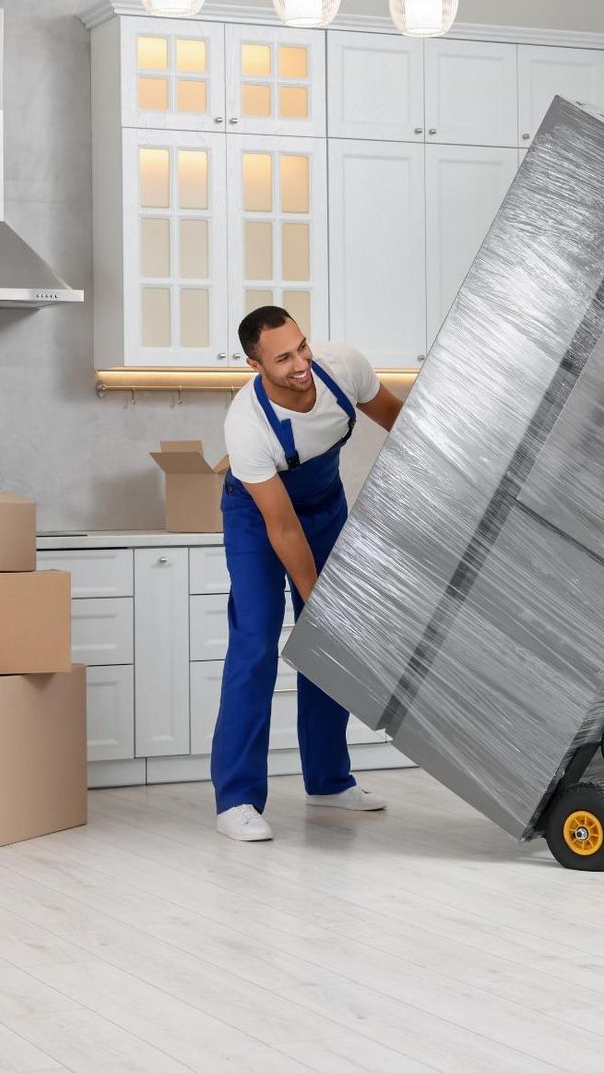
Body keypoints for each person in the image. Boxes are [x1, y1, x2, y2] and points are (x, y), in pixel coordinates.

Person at [213, 306, 404, 842]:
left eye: (302, 346)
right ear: (254, 364)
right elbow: (283, 529)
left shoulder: (343, 369)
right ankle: (236, 799)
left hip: (326, 505)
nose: (300, 363)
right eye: (283, 357)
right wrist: (313, 595)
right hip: (260, 521)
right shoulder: (247, 427)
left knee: (329, 644)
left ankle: (328, 780)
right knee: (254, 644)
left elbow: (402, 425)